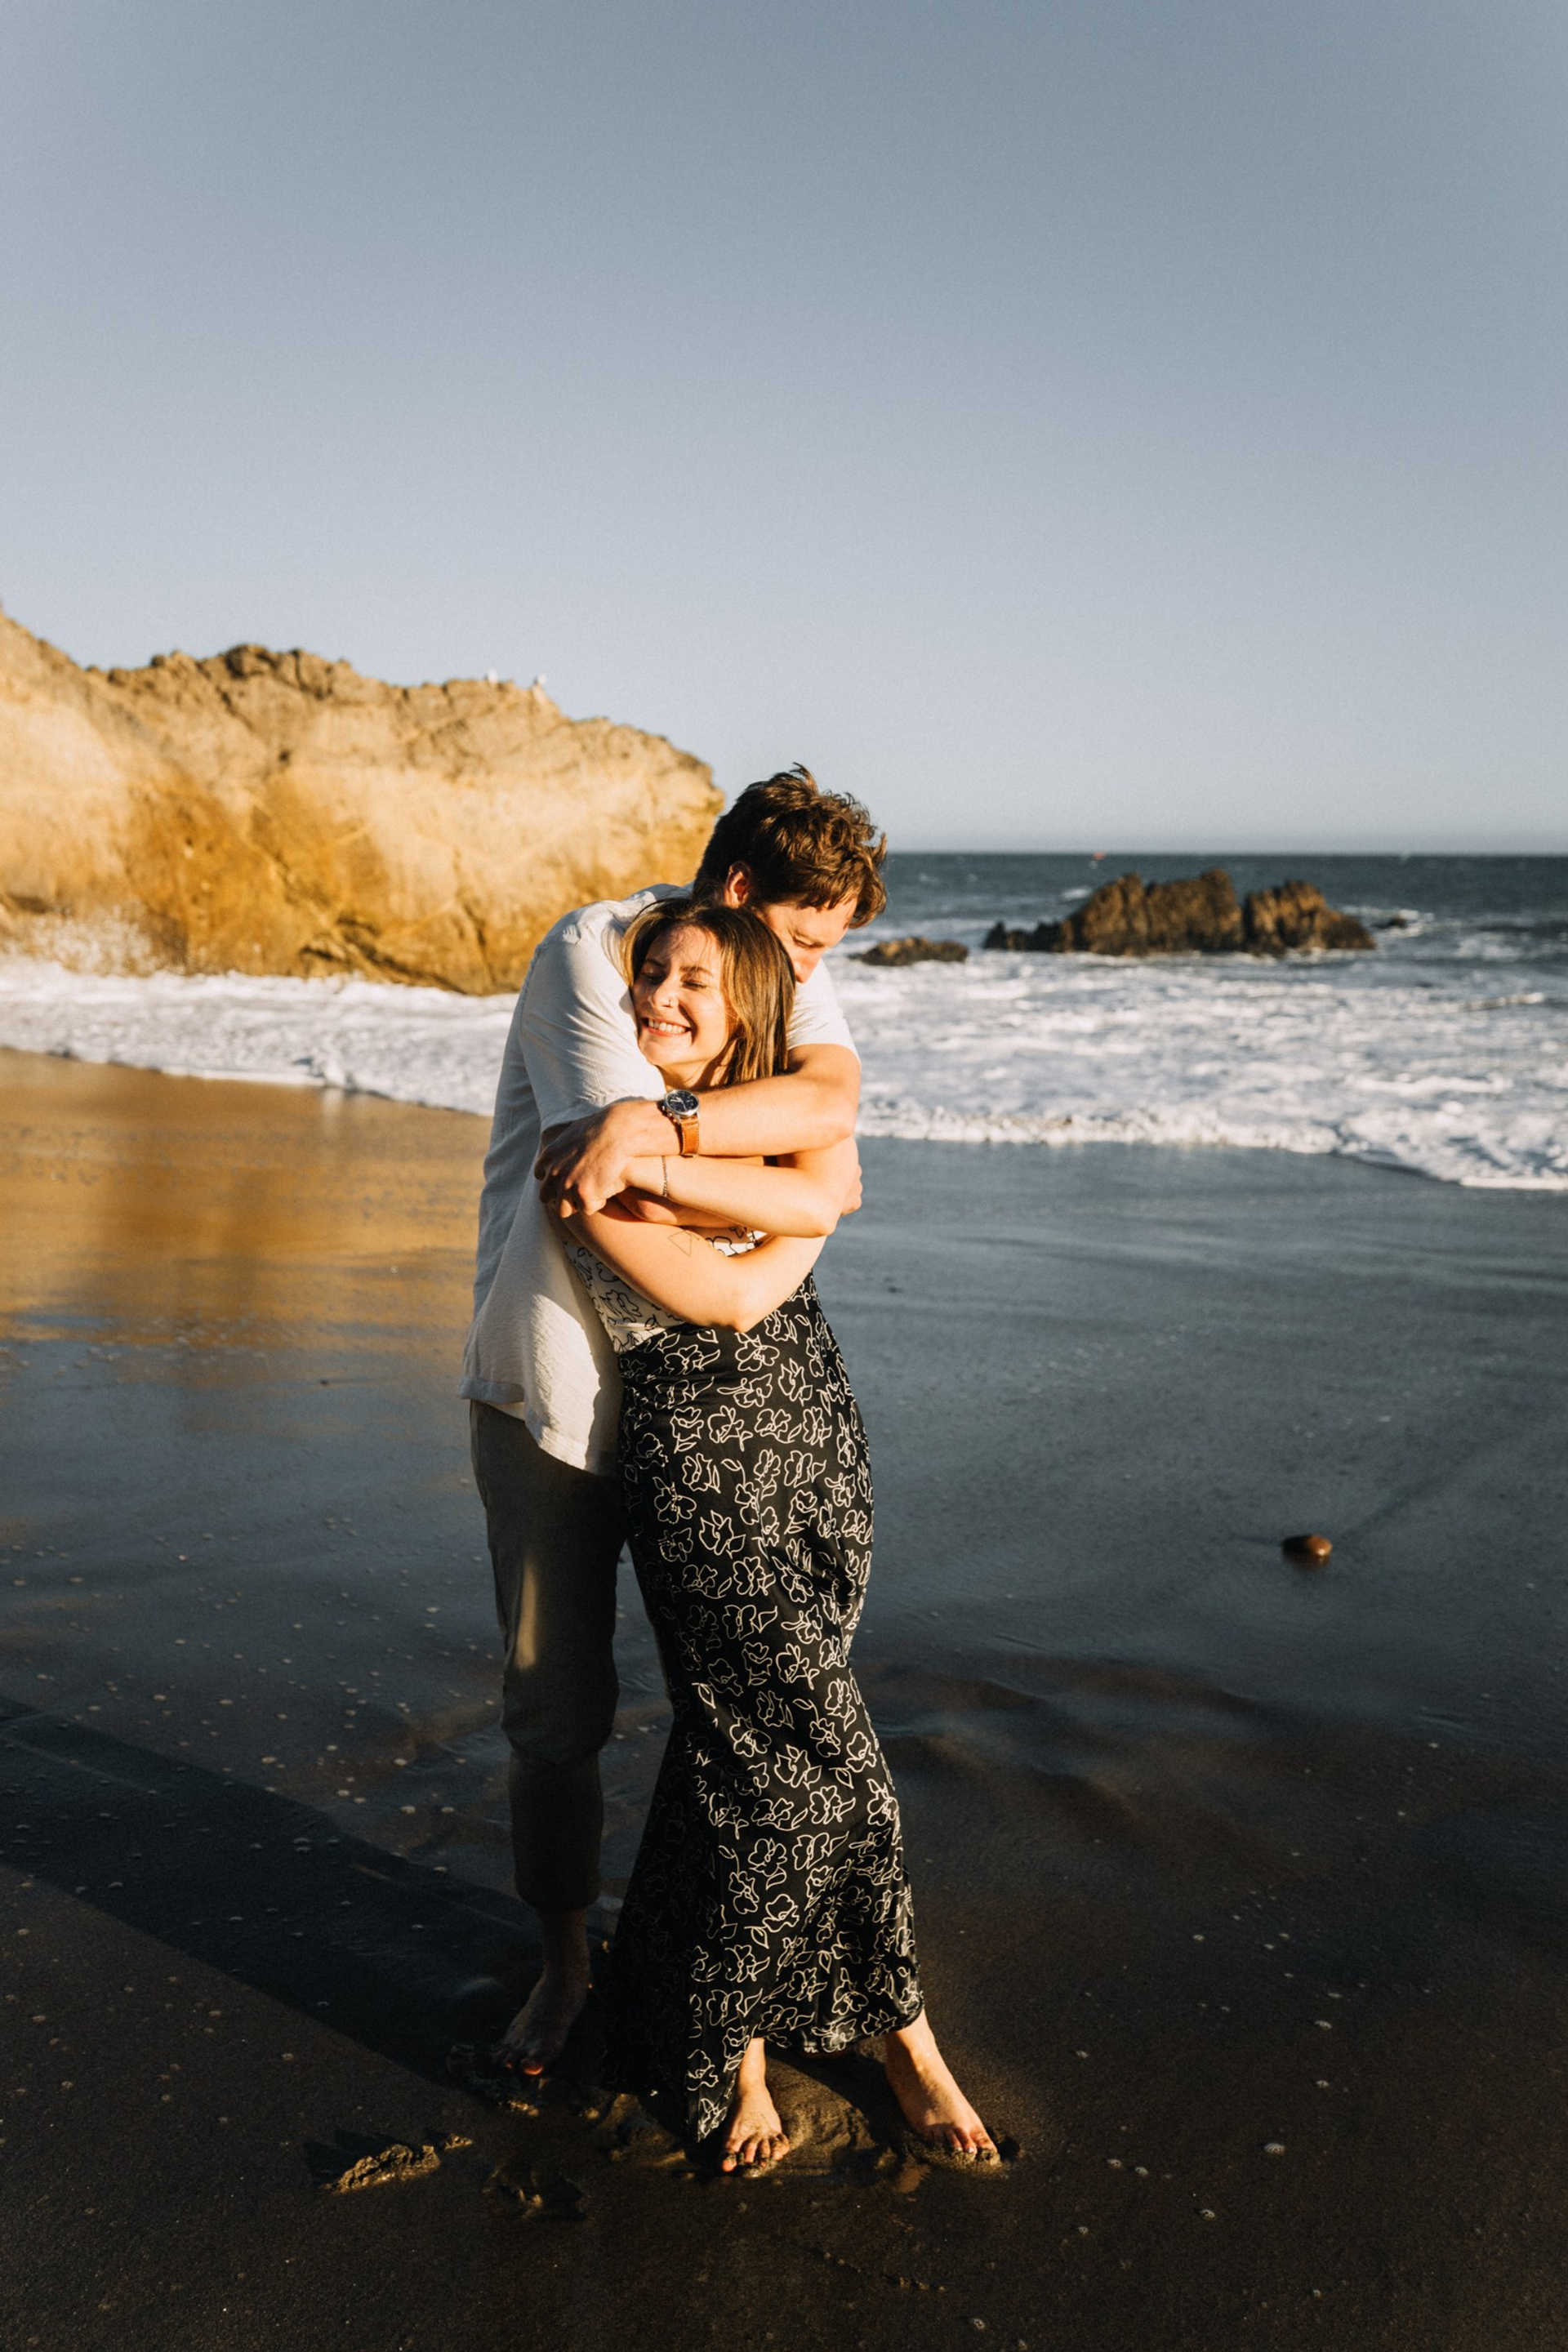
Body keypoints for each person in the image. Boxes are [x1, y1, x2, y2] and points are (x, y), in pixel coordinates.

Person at [555, 896, 996, 2167]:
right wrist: (794, 1199)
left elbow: (835, 1172)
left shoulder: (691, 1145)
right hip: (705, 1474)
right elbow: (739, 1290)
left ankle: (731, 2026)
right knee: (823, 1766)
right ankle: (891, 2040)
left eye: (699, 978)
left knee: (730, 1753)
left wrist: (702, 1168)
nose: (665, 996)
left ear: (747, 1007)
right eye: (653, 973)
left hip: (819, 1448)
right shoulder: (581, 1152)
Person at [461, 769, 880, 2080]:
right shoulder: (598, 963)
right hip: (557, 1396)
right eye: (810, 941)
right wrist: (780, 1199)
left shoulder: (778, 970)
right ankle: (566, 1965)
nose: (813, 978)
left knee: (744, 1710)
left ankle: (720, 1986)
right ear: (747, 895)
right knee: (557, 1710)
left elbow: (831, 1122)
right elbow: (625, 1184)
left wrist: (681, 1121)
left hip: (708, 1417)